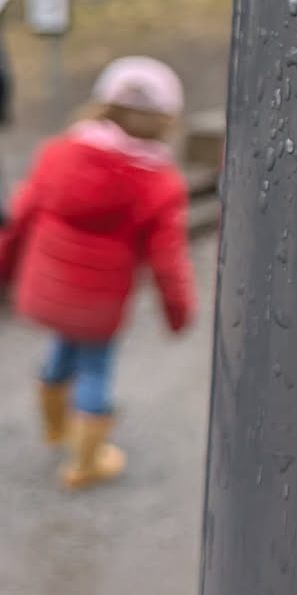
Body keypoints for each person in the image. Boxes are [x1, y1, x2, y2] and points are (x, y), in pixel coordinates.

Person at [0, 56, 196, 489]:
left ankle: (54, 428)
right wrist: (178, 310)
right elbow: (169, 259)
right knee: (95, 369)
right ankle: (84, 463)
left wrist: (3, 267)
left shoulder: (59, 153)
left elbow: (22, 214)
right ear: (166, 120)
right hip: (99, 304)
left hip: (47, 291)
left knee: (61, 351)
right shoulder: (159, 183)